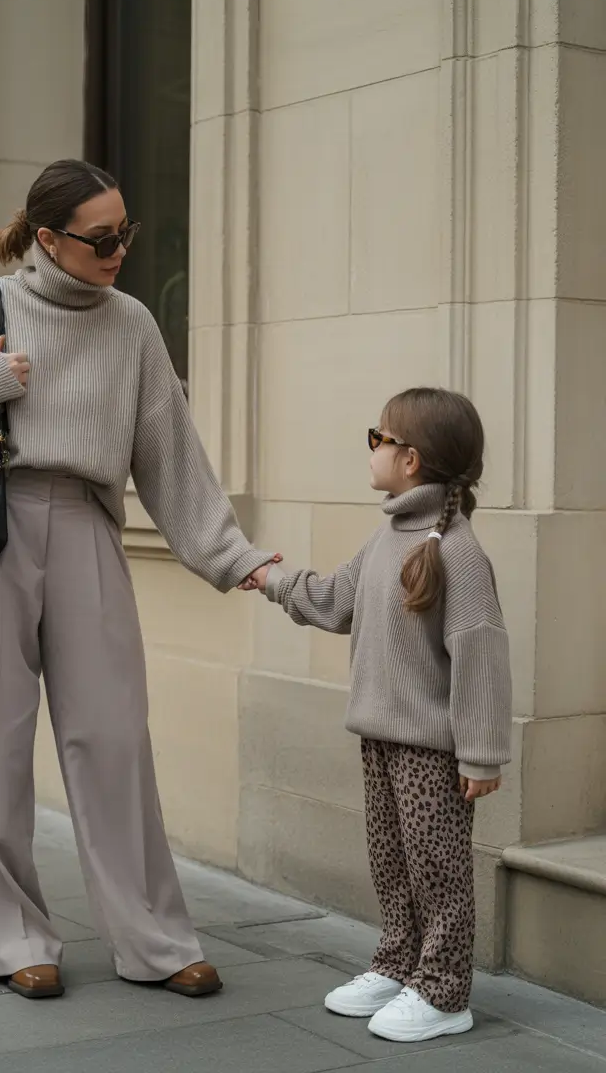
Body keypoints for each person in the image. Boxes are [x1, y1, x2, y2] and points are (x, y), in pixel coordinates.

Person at [0, 159, 279, 1000]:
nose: (119, 249)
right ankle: (10, 934)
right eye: (102, 238)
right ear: (48, 238)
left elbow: (170, 453)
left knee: (113, 737)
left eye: (125, 232)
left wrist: (230, 555)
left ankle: (154, 939)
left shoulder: (131, 322)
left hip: (89, 528)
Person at [243, 388, 512, 1044]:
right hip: (379, 739)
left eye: (378, 439)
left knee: (437, 869)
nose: (371, 449)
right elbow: (336, 601)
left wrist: (480, 753)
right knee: (392, 863)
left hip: (432, 750)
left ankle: (444, 993)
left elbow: (480, 653)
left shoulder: (458, 552)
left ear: (411, 459)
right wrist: (273, 579)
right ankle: (399, 965)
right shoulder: (389, 536)